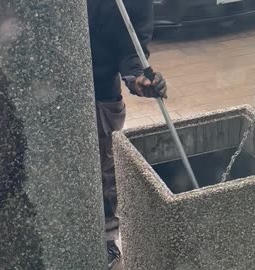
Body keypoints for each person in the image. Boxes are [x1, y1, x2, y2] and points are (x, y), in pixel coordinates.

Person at [86, 0, 167, 268]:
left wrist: (139, 78)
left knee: (102, 171)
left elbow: (131, 49)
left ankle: (107, 238)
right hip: (42, 92)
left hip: (100, 94)